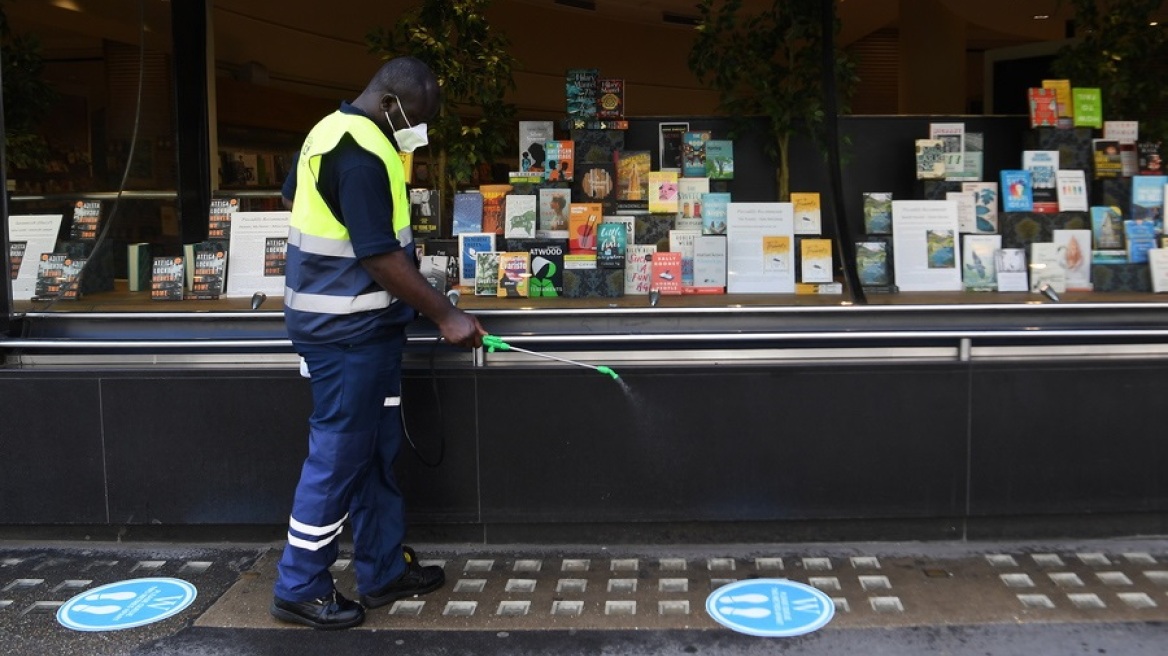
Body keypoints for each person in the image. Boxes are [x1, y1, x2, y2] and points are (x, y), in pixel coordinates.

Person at [271, 56, 485, 631]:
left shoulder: (330, 131)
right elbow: (377, 254)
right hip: (345, 334)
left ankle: (382, 567)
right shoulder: (361, 153)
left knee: (374, 448)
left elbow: (293, 195)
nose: (418, 131)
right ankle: (299, 584)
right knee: (340, 454)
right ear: (391, 102)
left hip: (368, 329)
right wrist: (445, 314)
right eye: (415, 117)